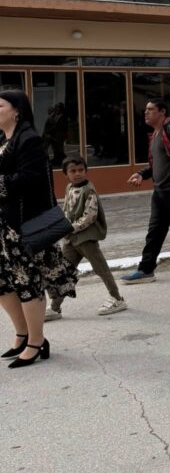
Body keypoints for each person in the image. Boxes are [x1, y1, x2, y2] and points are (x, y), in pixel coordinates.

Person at [0, 90, 78, 368]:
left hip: (22, 224)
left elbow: (30, 179)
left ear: (16, 111)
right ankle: (22, 334)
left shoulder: (28, 139)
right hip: (3, 225)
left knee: (25, 281)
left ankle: (36, 341)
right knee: (3, 283)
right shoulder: (3, 139)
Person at [121, 98, 170, 285]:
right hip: (160, 193)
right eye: (145, 109)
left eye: (150, 109)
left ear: (162, 112)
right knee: (154, 233)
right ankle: (146, 270)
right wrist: (141, 174)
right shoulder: (156, 134)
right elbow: (158, 164)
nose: (146, 112)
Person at [45, 155, 126, 319]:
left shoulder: (89, 191)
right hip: (70, 239)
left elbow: (90, 216)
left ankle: (117, 299)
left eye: (81, 170)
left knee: (101, 269)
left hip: (86, 238)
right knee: (65, 272)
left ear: (86, 171)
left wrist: (70, 228)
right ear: (66, 174)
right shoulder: (69, 188)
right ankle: (55, 308)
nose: (78, 174)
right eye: (73, 171)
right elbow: (67, 209)